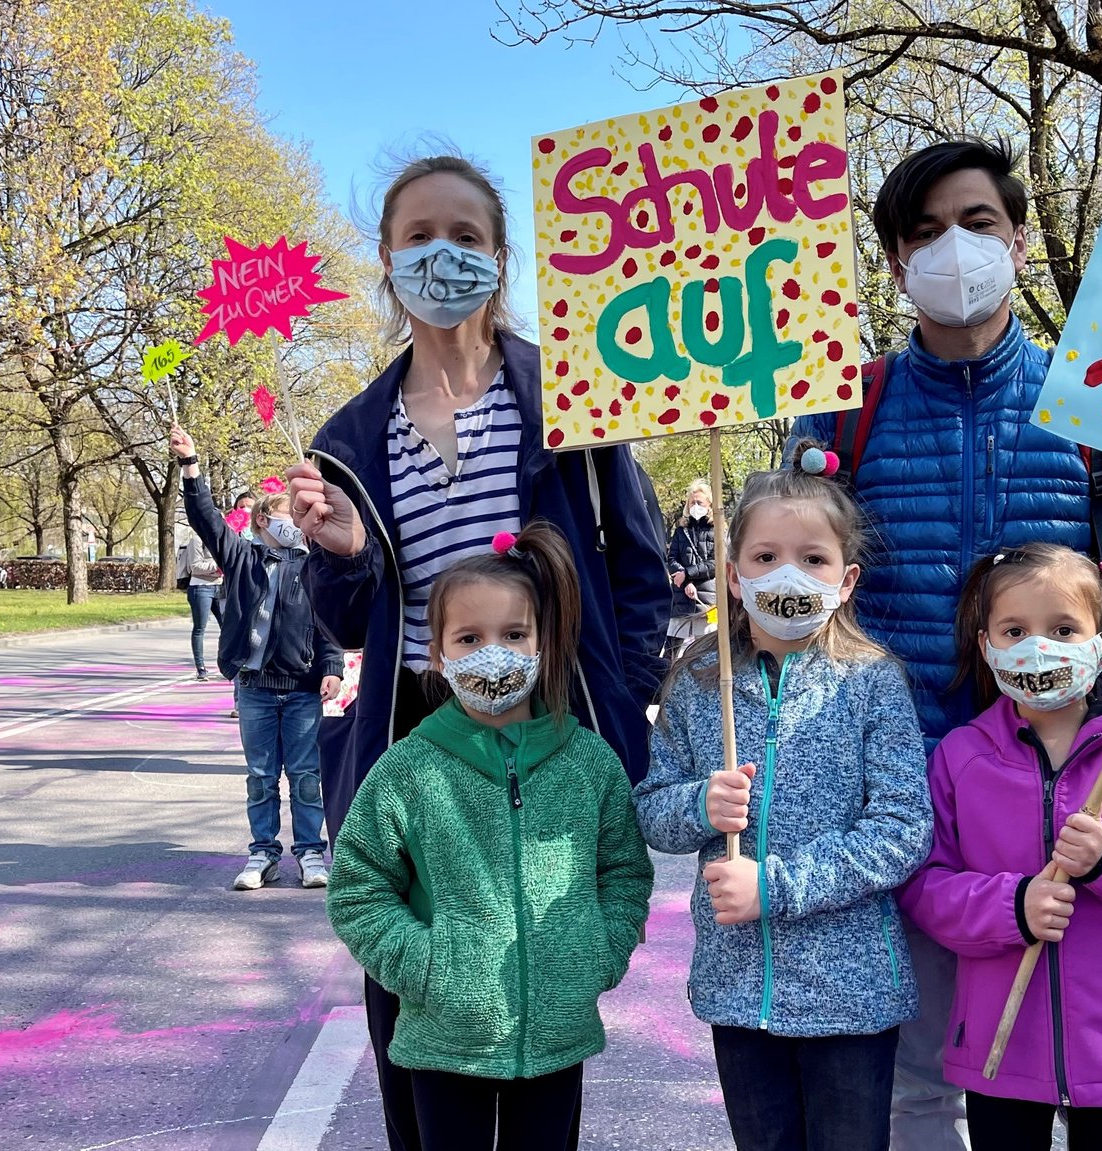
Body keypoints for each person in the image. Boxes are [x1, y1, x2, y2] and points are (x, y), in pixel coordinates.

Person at [787, 138, 1102, 1151]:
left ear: (1015, 234)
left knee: (1095, 1059)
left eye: (974, 222)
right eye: (922, 234)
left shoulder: (1098, 400)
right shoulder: (846, 402)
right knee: (922, 1069)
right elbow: (800, 590)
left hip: (1062, 789)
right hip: (907, 794)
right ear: (892, 263)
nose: (951, 248)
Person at [288, 152, 670, 1151]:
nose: (442, 254)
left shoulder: (577, 397)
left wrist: (616, 706)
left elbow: (636, 566)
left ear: (502, 258)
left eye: (466, 235)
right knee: (414, 1035)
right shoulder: (348, 436)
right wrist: (339, 551)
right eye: (418, 237)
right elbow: (349, 618)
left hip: (544, 731)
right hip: (418, 732)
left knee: (539, 1012)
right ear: (384, 259)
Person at [635, 443, 934, 1151]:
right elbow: (652, 806)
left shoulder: (872, 681)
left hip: (851, 999)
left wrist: (777, 885)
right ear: (733, 576)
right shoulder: (700, 680)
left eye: (812, 557)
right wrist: (698, 807)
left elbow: (901, 827)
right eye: (766, 557)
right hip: (739, 992)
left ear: (847, 576)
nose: (788, 572)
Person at [329, 522, 652, 1151]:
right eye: (470, 638)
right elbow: (358, 888)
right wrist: (425, 966)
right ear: (440, 654)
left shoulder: (589, 763)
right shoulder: (409, 768)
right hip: (444, 1041)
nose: (493, 653)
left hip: (557, 1036)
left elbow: (623, 873)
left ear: (542, 643)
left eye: (513, 635)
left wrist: (597, 954)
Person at [900, 545, 1102, 1151]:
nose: (1039, 646)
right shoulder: (960, 758)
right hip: (1000, 1051)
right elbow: (925, 889)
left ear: (1101, 645)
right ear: (986, 646)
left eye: (1062, 629)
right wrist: (1012, 906)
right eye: (1015, 630)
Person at [173, 425, 344, 891]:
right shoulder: (242, 559)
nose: (297, 521)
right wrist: (191, 465)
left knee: (307, 775)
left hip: (303, 691)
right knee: (261, 776)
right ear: (264, 522)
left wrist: (331, 667)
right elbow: (205, 519)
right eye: (287, 513)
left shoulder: (315, 565)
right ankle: (262, 853)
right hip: (254, 691)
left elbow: (328, 625)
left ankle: (312, 853)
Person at [664, 480, 717, 656]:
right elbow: (672, 558)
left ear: (709, 505)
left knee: (706, 653)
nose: (695, 506)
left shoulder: (716, 530)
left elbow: (716, 563)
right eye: (692, 502)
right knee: (671, 651)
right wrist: (685, 580)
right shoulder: (681, 530)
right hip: (681, 599)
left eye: (699, 502)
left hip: (705, 601)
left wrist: (688, 573)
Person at [179, 523, 223, 681]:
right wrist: (218, 566)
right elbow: (195, 567)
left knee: (227, 628)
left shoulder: (222, 540)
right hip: (200, 587)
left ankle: (225, 663)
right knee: (200, 628)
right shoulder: (197, 540)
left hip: (220, 586)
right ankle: (201, 668)